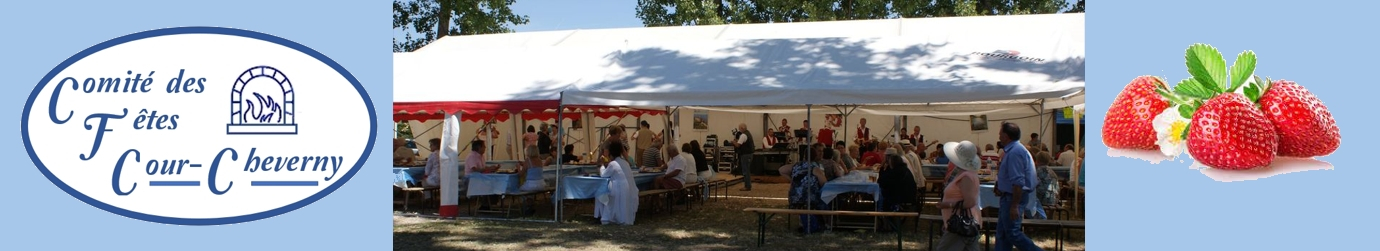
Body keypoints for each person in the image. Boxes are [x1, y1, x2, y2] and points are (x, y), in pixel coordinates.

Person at [992, 122, 1045, 251]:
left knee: (1012, 233)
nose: (999, 136)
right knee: (1003, 234)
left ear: (1006, 135)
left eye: (1000, 133)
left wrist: (1014, 205)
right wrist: (1000, 185)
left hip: (1012, 198)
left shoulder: (1015, 152)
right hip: (1008, 196)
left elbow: (1018, 181)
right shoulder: (1013, 150)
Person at [936, 141, 983, 251]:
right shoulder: (963, 173)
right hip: (960, 221)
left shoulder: (966, 176)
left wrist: (947, 205)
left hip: (961, 222)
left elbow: (970, 202)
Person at [788, 143, 829, 234]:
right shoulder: (814, 167)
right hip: (808, 197)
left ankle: (805, 223)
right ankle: (825, 223)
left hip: (794, 197)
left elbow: (782, 170)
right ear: (815, 156)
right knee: (826, 200)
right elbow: (824, 182)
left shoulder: (796, 165)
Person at [596, 140, 638, 225]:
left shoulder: (613, 164)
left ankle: (608, 217)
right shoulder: (624, 162)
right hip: (625, 186)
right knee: (621, 204)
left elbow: (604, 175)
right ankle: (622, 218)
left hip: (617, 185)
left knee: (604, 196)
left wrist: (602, 166)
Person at [465, 140, 501, 210]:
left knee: (494, 182)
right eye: (484, 146)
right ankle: (485, 204)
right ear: (479, 147)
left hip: (480, 178)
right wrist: (487, 169)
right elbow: (475, 169)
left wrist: (492, 168)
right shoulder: (472, 156)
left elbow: (482, 168)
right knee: (489, 184)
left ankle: (489, 203)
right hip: (472, 180)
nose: (485, 148)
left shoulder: (481, 156)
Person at [732, 123, 756, 191]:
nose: (739, 130)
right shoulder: (748, 133)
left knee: (745, 170)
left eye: (739, 128)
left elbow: (738, 145)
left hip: (745, 155)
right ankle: (748, 185)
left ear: (742, 128)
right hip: (749, 154)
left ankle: (747, 186)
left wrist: (733, 142)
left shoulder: (743, 135)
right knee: (747, 170)